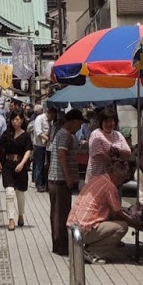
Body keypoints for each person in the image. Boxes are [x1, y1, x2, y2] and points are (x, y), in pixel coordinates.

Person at [71, 155, 143, 263]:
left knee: (111, 221)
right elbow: (117, 213)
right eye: (121, 180)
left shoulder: (97, 179)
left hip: (73, 226)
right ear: (115, 176)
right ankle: (92, 252)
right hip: (83, 231)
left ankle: (89, 248)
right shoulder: (110, 187)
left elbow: (113, 209)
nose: (121, 183)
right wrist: (136, 224)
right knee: (122, 227)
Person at [48, 108, 84, 255]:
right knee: (61, 214)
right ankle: (62, 246)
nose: (79, 127)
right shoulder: (65, 135)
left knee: (58, 213)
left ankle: (58, 244)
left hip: (57, 179)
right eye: (79, 124)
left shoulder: (62, 134)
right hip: (60, 180)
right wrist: (69, 176)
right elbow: (62, 154)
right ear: (74, 122)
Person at [0, 111, 33, 231]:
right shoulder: (7, 134)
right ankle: (11, 219)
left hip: (20, 165)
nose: (15, 122)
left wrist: (22, 164)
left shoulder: (26, 135)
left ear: (22, 120)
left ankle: (21, 214)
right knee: (9, 192)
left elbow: (28, 151)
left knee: (20, 193)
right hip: (7, 165)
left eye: (18, 119)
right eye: (13, 119)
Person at [86, 108, 131, 184]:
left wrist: (117, 151)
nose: (109, 124)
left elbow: (128, 154)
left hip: (115, 180)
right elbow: (101, 156)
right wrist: (116, 162)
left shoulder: (118, 135)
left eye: (111, 121)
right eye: (106, 121)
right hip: (97, 178)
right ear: (101, 122)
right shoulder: (96, 134)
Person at [30, 104, 53, 192]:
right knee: (39, 165)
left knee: (45, 166)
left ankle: (44, 183)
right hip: (39, 146)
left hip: (47, 147)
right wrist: (47, 139)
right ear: (49, 113)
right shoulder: (39, 118)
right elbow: (38, 132)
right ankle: (38, 183)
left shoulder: (50, 121)